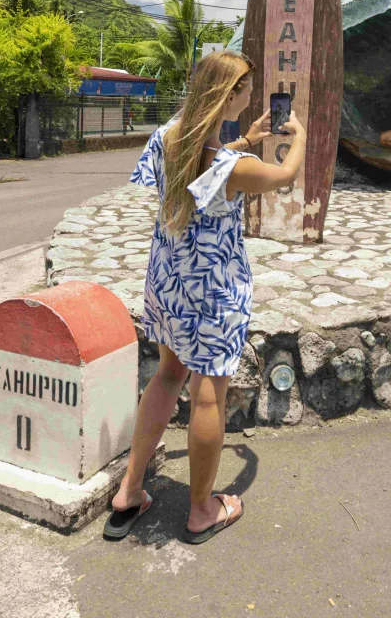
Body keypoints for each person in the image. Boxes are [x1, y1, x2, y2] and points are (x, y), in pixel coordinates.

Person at [104, 50, 306, 544]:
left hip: (168, 281)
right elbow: (285, 177)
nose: (251, 97)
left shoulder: (170, 137)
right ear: (229, 94)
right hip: (212, 293)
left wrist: (245, 138)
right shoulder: (236, 167)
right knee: (208, 394)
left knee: (169, 375)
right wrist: (296, 136)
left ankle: (130, 490)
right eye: (244, 89)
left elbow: (200, 163)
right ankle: (200, 510)